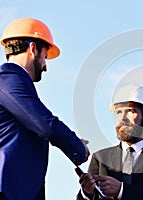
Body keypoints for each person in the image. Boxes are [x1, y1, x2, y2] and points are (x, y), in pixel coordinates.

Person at [0, 18, 90, 200]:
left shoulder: (13, 83)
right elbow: (44, 123)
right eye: (45, 57)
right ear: (33, 49)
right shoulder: (8, 79)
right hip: (9, 190)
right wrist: (77, 147)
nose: (45, 67)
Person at [76, 85, 143, 200]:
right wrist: (87, 194)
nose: (123, 118)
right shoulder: (100, 158)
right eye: (119, 112)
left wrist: (121, 190)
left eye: (131, 111)